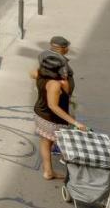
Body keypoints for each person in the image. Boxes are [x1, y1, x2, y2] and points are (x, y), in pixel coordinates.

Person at [34, 52, 85, 180]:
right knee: (68, 145)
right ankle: (77, 176)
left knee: (45, 142)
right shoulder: (55, 84)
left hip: (40, 114)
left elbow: (31, 73)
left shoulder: (39, 73)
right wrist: (75, 123)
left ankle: (48, 172)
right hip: (52, 120)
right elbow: (53, 106)